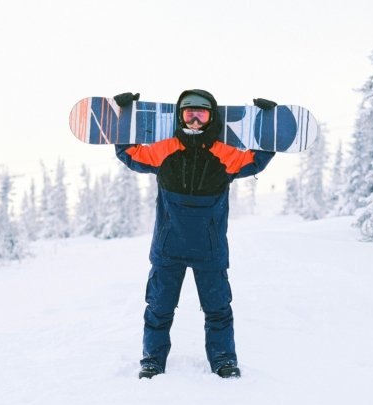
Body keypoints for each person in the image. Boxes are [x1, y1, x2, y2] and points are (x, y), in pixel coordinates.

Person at [114, 89, 277, 379]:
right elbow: (129, 154)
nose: (195, 120)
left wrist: (269, 122)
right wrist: (125, 114)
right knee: (158, 309)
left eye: (201, 114)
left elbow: (255, 161)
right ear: (180, 116)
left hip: (210, 249)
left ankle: (224, 361)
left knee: (218, 311)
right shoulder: (166, 149)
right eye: (189, 113)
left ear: (211, 118)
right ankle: (152, 361)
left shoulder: (223, 153)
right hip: (168, 248)